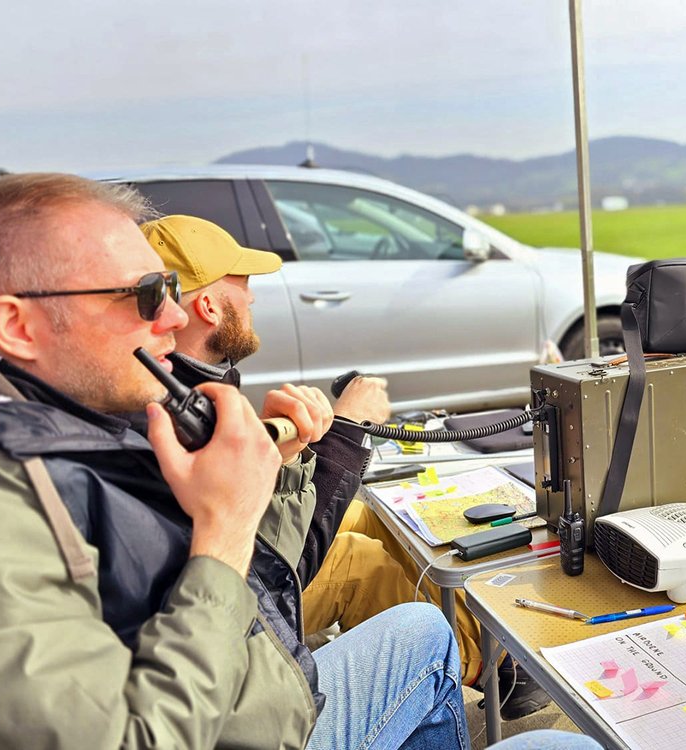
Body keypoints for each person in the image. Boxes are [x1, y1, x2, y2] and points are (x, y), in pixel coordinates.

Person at [0, 173, 469, 749]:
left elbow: (241, 589)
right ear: (18, 326)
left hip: (253, 685)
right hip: (230, 714)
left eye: (169, 288)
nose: (171, 318)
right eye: (143, 294)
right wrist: (225, 530)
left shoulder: (66, 419)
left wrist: (275, 469)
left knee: (421, 628)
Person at [139, 213, 552, 721]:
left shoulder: (187, 385)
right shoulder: (174, 411)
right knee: (359, 563)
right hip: (219, 607)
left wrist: (287, 451)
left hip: (208, 578)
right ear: (205, 305)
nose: (252, 298)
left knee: (367, 517)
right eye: (242, 284)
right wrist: (349, 430)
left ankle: (495, 646)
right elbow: (286, 562)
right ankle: (491, 665)